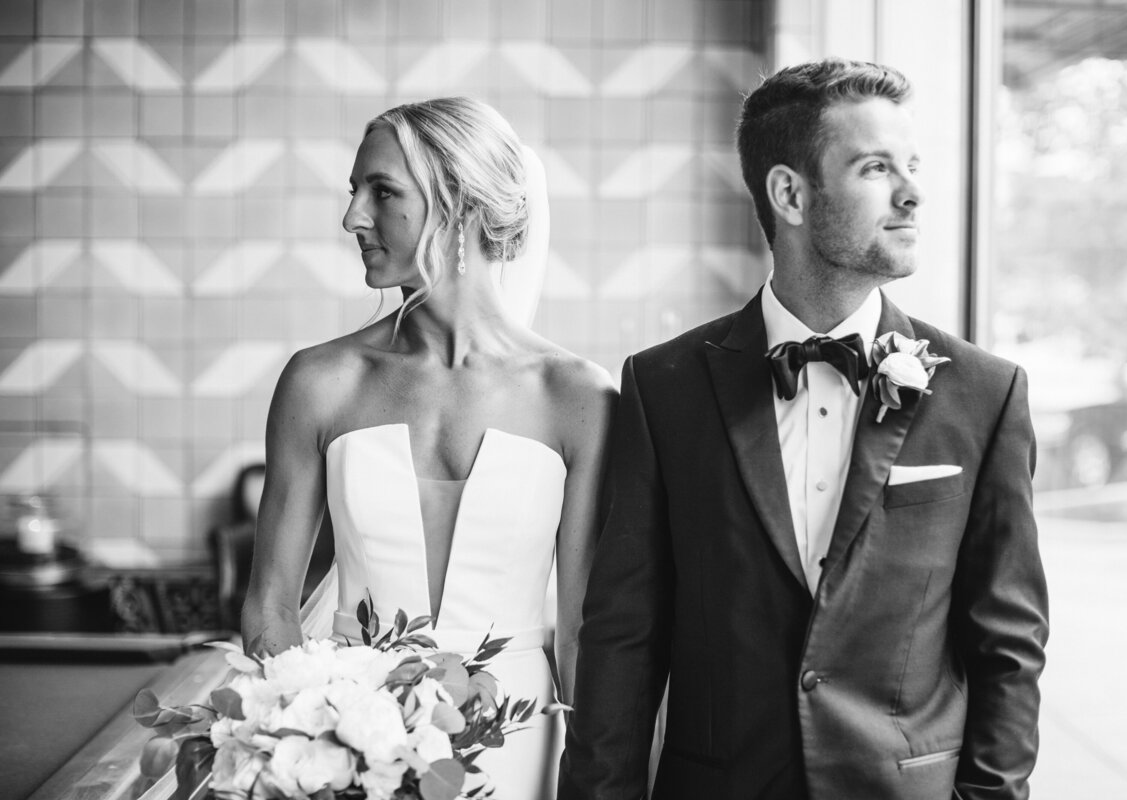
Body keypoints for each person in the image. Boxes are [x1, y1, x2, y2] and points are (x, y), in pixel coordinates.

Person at [559, 58, 1049, 800]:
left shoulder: (985, 392)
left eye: (911, 166)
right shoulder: (664, 387)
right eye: (876, 167)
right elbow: (623, 638)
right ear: (789, 193)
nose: (913, 193)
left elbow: (1009, 648)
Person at [242, 97, 616, 798]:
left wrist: (595, 778)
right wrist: (313, 750)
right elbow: (270, 605)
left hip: (519, 741)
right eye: (355, 191)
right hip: (347, 746)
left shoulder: (579, 398)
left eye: (382, 192)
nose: (353, 216)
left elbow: (584, 628)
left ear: (462, 206)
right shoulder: (320, 382)